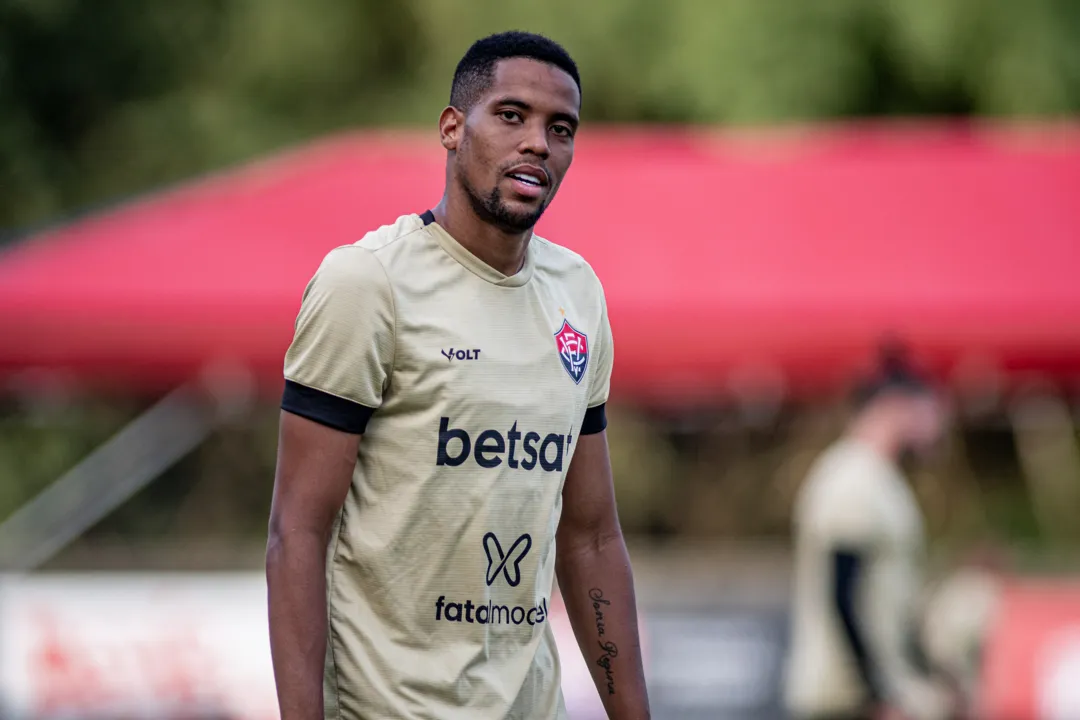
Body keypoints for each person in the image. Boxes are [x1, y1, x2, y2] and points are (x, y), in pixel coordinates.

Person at [265, 31, 650, 720]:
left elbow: (590, 537)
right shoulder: (368, 282)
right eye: (511, 115)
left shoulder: (577, 294)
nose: (537, 142)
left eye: (560, 129)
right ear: (452, 128)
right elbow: (298, 531)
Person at [784, 347, 955, 720]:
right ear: (897, 406)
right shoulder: (851, 478)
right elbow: (841, 594)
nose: (936, 425)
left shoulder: (880, 479)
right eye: (928, 409)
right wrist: (874, 695)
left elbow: (887, 602)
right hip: (843, 701)